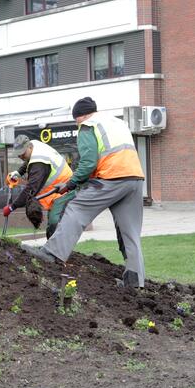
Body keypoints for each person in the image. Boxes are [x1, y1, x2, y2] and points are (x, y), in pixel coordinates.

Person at [29, 97, 146, 288]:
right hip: (135, 179)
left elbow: (89, 162)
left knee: (77, 208)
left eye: (76, 120)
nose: (77, 125)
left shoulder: (88, 126)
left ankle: (52, 253)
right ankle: (134, 282)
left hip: (111, 178)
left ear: (81, 116)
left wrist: (71, 183)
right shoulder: (116, 123)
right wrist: (73, 182)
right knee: (131, 233)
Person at [2, 135, 76, 237]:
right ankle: (53, 248)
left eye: (22, 154)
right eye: (19, 155)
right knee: (54, 221)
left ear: (29, 147)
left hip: (64, 188)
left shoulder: (39, 163)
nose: (21, 157)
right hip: (55, 188)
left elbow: (31, 189)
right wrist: (19, 172)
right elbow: (28, 161)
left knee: (55, 221)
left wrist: (12, 207)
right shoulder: (34, 145)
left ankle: (55, 249)